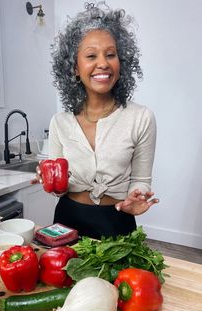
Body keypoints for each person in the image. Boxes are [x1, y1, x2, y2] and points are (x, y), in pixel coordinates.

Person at [34, 2, 159, 239]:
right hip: (67, 221)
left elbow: (141, 180)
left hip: (117, 222)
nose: (103, 63)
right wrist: (49, 181)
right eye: (91, 55)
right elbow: (59, 189)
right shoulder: (60, 122)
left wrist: (137, 196)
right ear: (74, 68)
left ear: (121, 64)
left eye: (110, 55)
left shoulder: (141, 118)